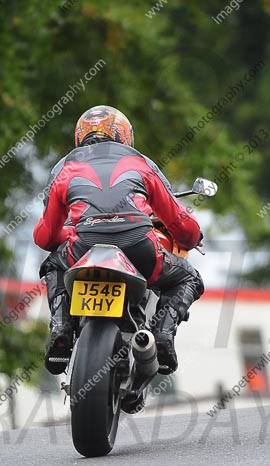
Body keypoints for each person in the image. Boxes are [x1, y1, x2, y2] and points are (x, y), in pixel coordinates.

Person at [33, 105, 204, 376]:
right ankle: (162, 334)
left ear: (80, 136)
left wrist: (75, 230)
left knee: (53, 265)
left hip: (83, 247)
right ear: (124, 134)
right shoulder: (141, 163)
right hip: (140, 247)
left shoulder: (64, 167)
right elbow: (183, 229)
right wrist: (194, 235)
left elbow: (45, 237)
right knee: (189, 278)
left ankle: (61, 327)